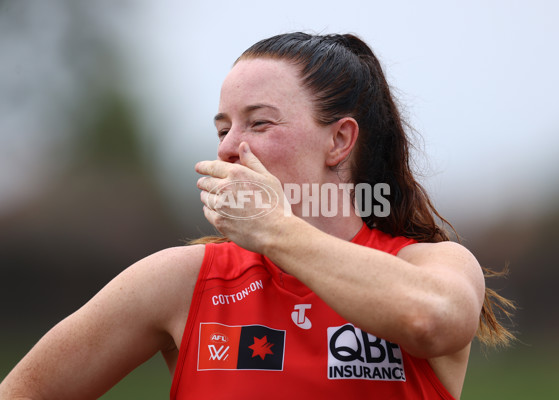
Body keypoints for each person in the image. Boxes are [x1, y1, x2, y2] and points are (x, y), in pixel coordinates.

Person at [0, 32, 514, 399]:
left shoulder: (433, 264)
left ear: (339, 140)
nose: (228, 147)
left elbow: (432, 320)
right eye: (222, 128)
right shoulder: (180, 281)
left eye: (259, 123)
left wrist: (275, 228)